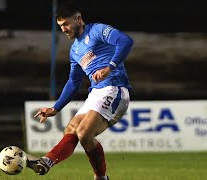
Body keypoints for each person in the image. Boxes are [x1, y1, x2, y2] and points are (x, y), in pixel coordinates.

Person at [26, 0, 134, 179]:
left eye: (66, 23)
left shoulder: (97, 30)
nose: (64, 29)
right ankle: (47, 161)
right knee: (72, 128)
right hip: (96, 93)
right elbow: (74, 82)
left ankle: (101, 178)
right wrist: (55, 108)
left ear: (78, 19)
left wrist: (109, 67)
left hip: (114, 89)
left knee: (84, 133)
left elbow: (126, 41)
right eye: (60, 26)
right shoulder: (75, 50)